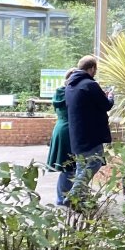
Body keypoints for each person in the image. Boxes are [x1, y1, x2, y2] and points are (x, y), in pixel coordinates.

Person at [62, 55, 113, 205]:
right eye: (95, 69)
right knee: (94, 163)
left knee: (81, 167)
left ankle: (80, 201)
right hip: (91, 134)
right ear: (91, 69)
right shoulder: (90, 85)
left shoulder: (70, 86)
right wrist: (110, 97)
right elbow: (106, 105)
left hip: (76, 135)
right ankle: (73, 195)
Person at [45, 76, 74, 206]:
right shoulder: (70, 93)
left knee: (67, 167)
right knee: (69, 167)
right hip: (68, 130)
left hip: (60, 128)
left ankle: (62, 197)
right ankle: (63, 198)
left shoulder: (59, 93)